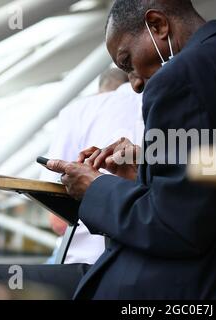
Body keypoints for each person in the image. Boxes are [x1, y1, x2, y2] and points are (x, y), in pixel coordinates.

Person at [0, 0, 216, 300]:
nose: (135, 83)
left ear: (157, 25)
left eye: (127, 61)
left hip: (199, 286)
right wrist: (144, 171)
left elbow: (177, 226)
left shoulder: (181, 76)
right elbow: (208, 191)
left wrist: (95, 188)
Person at [43, 68, 144, 265]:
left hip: (85, 261)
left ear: (100, 90)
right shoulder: (154, 103)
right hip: (140, 259)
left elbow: (57, 222)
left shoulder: (79, 110)